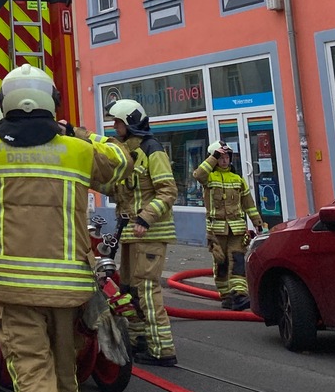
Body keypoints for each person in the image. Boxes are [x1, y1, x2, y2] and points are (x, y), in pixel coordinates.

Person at [0, 64, 130, 392]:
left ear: (6, 103)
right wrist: (76, 132)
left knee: (33, 375)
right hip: (68, 290)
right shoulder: (79, 152)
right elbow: (121, 159)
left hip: (15, 288)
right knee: (66, 375)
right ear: (52, 101)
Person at [106, 98, 178, 367]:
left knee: (147, 290)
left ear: (130, 122)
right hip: (129, 234)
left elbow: (168, 190)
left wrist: (146, 219)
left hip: (150, 232)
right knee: (128, 290)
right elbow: (120, 190)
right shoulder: (128, 154)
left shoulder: (152, 150)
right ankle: (139, 341)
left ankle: (162, 351)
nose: (114, 127)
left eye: (118, 122)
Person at [193, 141, 264, 310]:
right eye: (221, 157)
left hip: (237, 230)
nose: (225, 160)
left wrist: (258, 224)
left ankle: (239, 294)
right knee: (221, 263)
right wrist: (214, 156)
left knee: (238, 260)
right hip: (216, 231)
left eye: (227, 157)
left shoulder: (238, 179)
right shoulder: (208, 178)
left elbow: (249, 204)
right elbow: (198, 174)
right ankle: (226, 296)